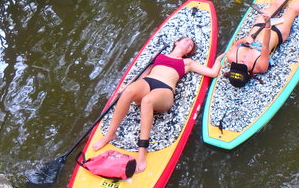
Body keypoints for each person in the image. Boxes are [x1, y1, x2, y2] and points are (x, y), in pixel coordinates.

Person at [92, 36, 220, 172]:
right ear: (176, 42)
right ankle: (110, 134)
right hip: (147, 82)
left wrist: (218, 60)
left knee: (148, 101)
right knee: (128, 91)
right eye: (186, 40)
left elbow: (212, 73)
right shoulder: (159, 55)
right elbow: (143, 74)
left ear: (188, 52)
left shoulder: (187, 62)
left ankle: (142, 151)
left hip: (164, 90)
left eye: (191, 45)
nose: (189, 43)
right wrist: (125, 89)